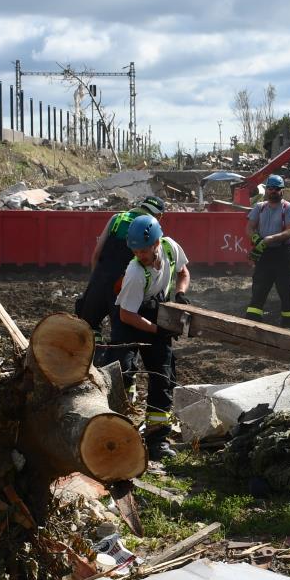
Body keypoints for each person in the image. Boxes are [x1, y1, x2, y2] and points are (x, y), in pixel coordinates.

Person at [113, 213, 191, 462]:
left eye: (144, 251)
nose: (140, 256)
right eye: (135, 251)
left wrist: (179, 295)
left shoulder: (170, 248)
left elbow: (183, 273)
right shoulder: (136, 272)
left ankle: (157, 439)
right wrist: (158, 331)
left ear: (157, 243)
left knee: (163, 376)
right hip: (129, 317)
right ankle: (116, 433)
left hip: (154, 309)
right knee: (121, 371)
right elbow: (127, 315)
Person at [77, 194, 165, 337]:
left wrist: (94, 283)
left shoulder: (117, 218)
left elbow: (96, 254)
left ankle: (93, 356)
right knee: (122, 336)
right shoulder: (151, 228)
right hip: (122, 288)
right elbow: (153, 265)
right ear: (159, 215)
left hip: (99, 280)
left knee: (87, 330)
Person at [244, 174, 290, 328]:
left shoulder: (289, 208)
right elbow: (249, 227)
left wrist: (268, 240)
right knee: (259, 290)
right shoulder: (259, 207)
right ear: (266, 190)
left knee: (286, 291)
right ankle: (252, 325)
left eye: (276, 189)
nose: (273, 191)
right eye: (270, 188)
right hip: (265, 255)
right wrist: (256, 240)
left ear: (282, 191)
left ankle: (289, 327)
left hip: (284, 254)